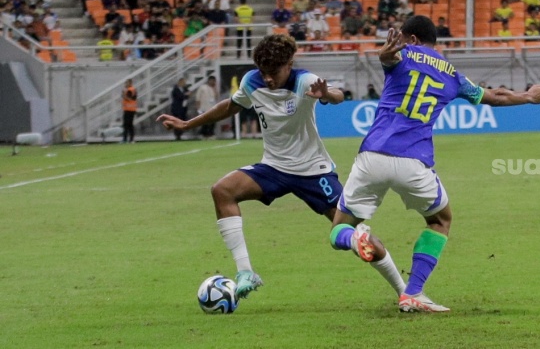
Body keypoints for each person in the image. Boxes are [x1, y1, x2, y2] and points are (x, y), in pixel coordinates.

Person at [328, 15, 540, 313]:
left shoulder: (402, 55)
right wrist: (527, 96)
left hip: (371, 156)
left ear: (410, 38)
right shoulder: (452, 74)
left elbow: (387, 57)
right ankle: (414, 292)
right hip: (414, 161)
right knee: (440, 220)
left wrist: (386, 53)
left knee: (337, 233)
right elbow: (495, 97)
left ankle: (355, 238)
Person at [156, 34, 405, 300]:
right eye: (264, 72)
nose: (268, 79)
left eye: (273, 72)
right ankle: (246, 273)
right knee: (222, 190)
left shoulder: (304, 81)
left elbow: (338, 95)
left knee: (350, 233)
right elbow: (231, 105)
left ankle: (405, 291)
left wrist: (326, 95)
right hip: (273, 168)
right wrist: (187, 124)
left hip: (313, 171)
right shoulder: (252, 81)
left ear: (289, 64)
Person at [122, 79, 138, 143]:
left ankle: (128, 139)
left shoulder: (131, 90)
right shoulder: (131, 89)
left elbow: (129, 98)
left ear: (130, 83)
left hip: (129, 109)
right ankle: (129, 139)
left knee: (128, 124)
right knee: (128, 124)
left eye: (126, 83)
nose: (125, 84)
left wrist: (124, 95)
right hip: (128, 109)